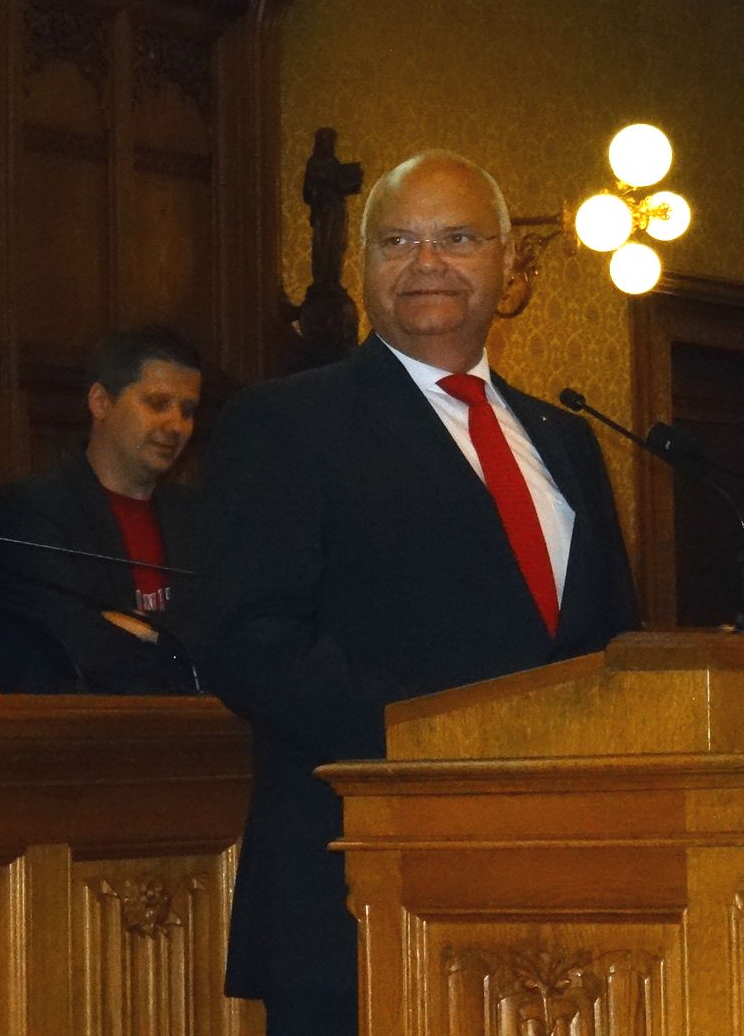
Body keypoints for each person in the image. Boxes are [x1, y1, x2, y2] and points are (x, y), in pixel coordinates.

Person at [202, 150, 640, 1035]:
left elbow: (607, 649)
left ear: (509, 264)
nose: (426, 262)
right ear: (364, 264)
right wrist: (439, 748)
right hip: (359, 883)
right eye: (397, 241)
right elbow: (250, 639)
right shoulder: (288, 421)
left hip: (557, 882)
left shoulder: (565, 439)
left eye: (458, 239)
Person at [0, 326, 205, 694]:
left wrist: (143, 628)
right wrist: (180, 642)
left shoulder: (199, 517)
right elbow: (83, 648)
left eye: (188, 411)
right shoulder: (31, 510)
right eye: (158, 404)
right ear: (101, 402)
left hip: (189, 722)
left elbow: (225, 635)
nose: (176, 425)